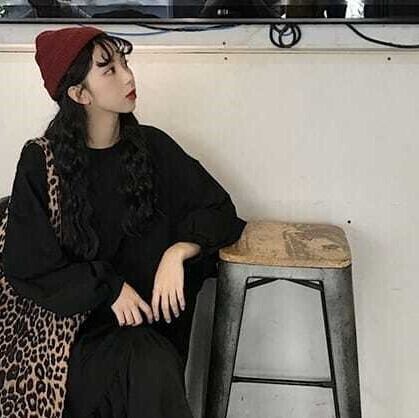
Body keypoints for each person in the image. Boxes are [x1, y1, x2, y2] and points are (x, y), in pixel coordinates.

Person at [2, 25, 247, 417]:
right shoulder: (41, 162)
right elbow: (28, 264)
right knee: (145, 364)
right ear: (79, 94)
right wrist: (110, 288)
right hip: (70, 347)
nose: (128, 76)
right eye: (109, 69)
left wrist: (179, 251)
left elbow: (220, 212)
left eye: (124, 62)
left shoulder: (153, 148)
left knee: (147, 359)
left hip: (149, 335)